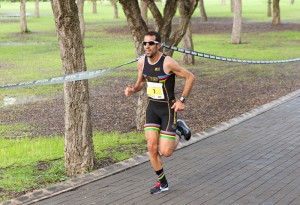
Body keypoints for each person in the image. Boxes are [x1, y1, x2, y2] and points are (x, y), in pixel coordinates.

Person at [124, 31, 195, 194]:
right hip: (152, 108)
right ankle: (162, 183)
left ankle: (179, 129)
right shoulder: (141, 62)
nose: (147, 46)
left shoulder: (168, 63)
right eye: (145, 43)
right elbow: (141, 83)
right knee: (151, 147)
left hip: (168, 110)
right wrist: (133, 90)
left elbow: (190, 77)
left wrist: (181, 100)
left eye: (151, 43)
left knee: (166, 152)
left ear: (158, 45)